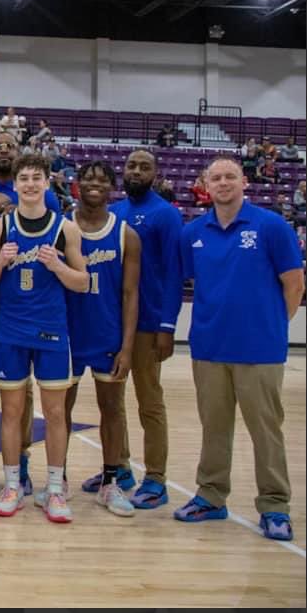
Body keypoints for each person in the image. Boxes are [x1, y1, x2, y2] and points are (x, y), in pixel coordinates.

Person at [174, 156, 303, 541]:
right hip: (209, 347)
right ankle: (211, 496)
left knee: (266, 431)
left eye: (231, 176)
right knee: (214, 428)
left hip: (260, 349)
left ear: (244, 182)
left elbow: (294, 284)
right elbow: (186, 281)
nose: (224, 182)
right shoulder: (193, 232)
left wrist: (274, 327)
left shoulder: (272, 227)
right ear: (206, 186)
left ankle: (275, 505)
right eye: (216, 177)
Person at [0, 152, 89, 522]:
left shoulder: (65, 228)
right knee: (11, 412)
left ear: (46, 183)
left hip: (52, 330)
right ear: (15, 184)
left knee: (56, 413)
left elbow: (83, 281)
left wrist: (58, 265)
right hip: (10, 331)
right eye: (23, 178)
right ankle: (12, 486)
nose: (29, 184)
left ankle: (54, 489)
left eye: (35, 178)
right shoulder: (0, 227)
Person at [93, 149, 183, 509]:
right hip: (114, 324)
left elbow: (175, 272)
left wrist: (167, 324)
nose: (136, 171)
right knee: (112, 402)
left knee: (149, 402)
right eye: (131, 165)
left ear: (156, 174)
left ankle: (157, 478)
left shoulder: (166, 214)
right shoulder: (114, 213)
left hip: (148, 324)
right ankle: (121, 468)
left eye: (145, 166)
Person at [62, 161, 141, 517]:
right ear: (77, 184)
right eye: (88, 178)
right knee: (60, 410)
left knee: (111, 410)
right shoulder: (61, 226)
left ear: (112, 187)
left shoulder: (126, 234)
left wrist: (127, 346)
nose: (94, 184)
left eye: (102, 179)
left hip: (107, 334)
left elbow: (130, 294)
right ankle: (56, 479)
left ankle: (111, 482)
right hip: (66, 333)